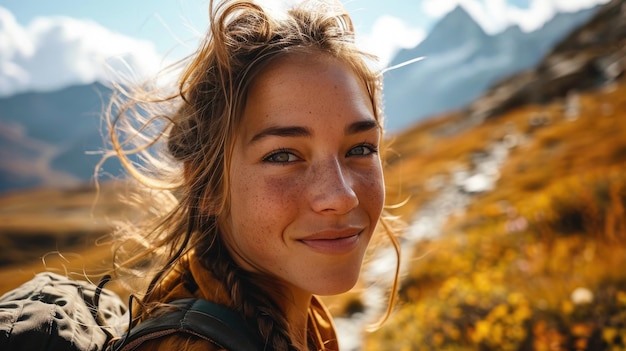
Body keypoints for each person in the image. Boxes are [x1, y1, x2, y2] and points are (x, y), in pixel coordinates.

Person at [106, 0, 401, 350]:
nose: (341, 196)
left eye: (360, 149)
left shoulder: (303, 319)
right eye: (283, 155)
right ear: (207, 186)